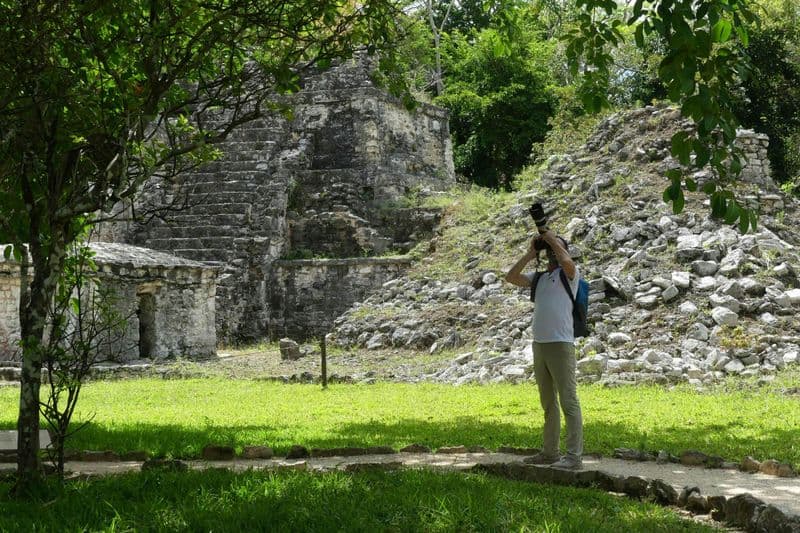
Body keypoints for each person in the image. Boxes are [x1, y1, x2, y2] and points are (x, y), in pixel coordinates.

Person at [505, 230, 583, 470]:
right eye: (548, 248)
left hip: (561, 344)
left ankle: (574, 457)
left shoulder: (569, 274)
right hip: (539, 344)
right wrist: (531, 253)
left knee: (568, 401)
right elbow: (511, 276)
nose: (550, 251)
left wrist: (553, 241)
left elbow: (567, 262)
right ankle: (549, 452)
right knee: (548, 402)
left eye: (554, 247)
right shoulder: (538, 278)